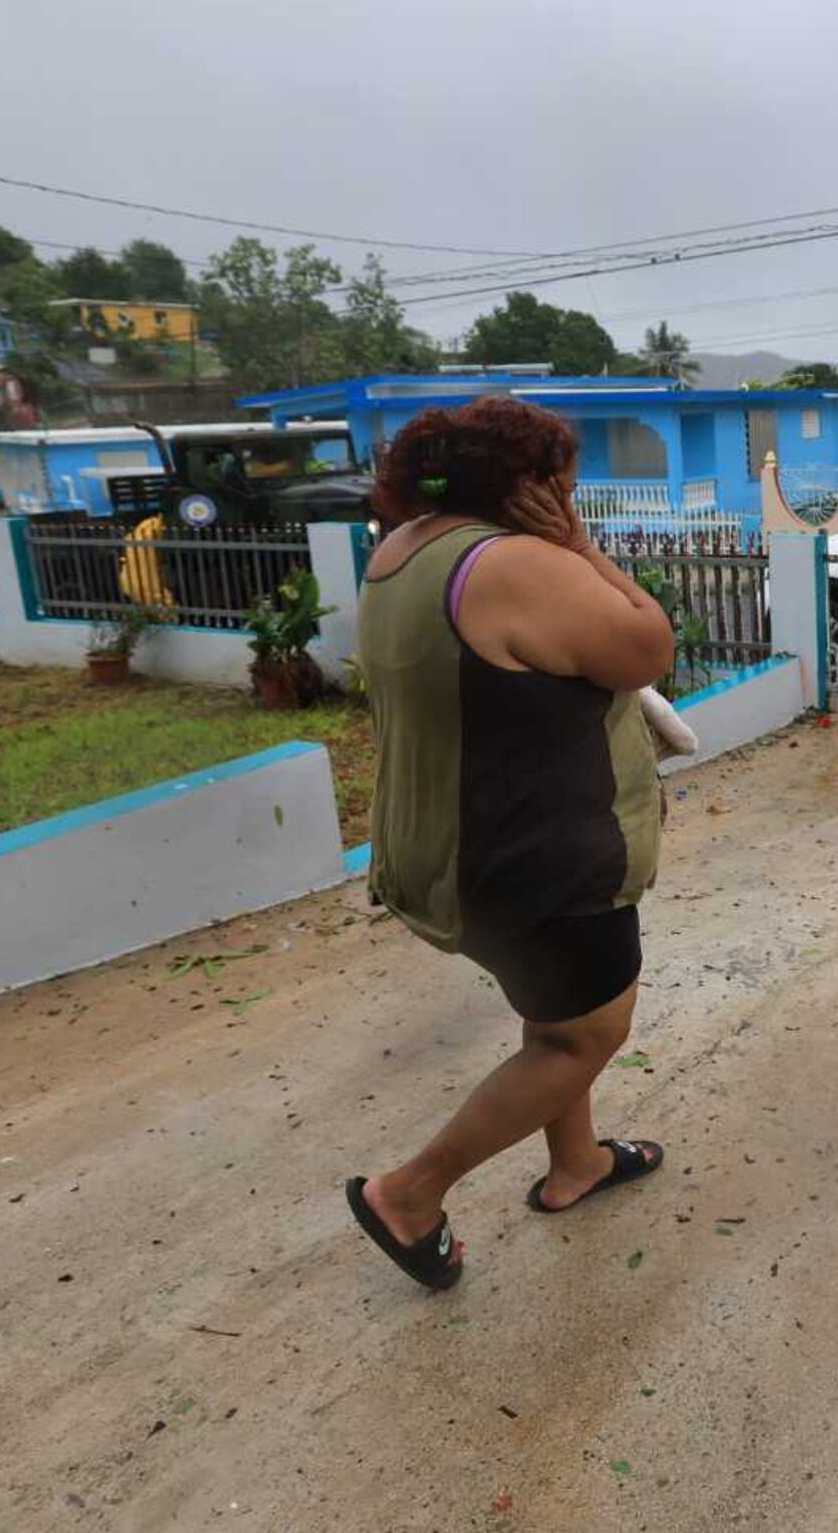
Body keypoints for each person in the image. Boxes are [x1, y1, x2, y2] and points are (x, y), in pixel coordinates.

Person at [343, 397, 679, 1290]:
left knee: (552, 1011)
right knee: (586, 1034)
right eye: (563, 487)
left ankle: (579, 1165)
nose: (573, 500)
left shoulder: (402, 548)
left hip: (439, 849)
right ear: (527, 488)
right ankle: (410, 1193)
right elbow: (649, 646)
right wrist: (582, 545)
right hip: (539, 860)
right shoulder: (518, 565)